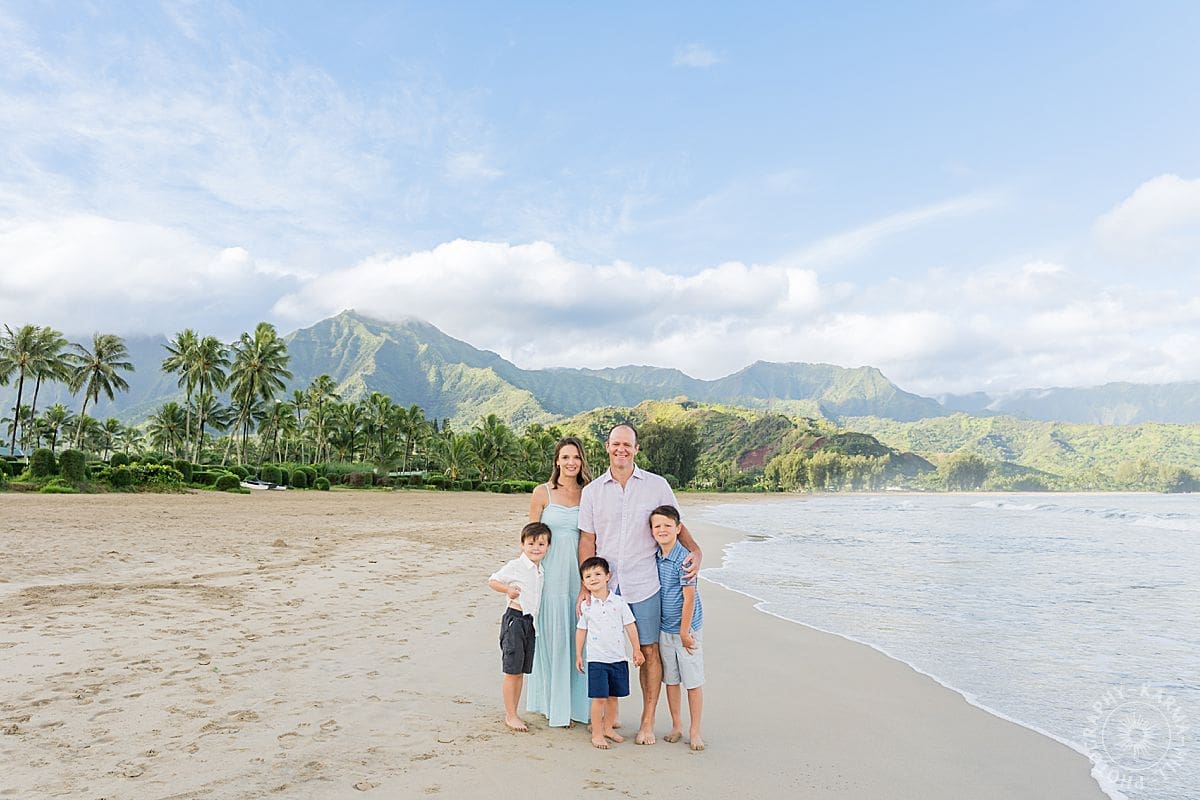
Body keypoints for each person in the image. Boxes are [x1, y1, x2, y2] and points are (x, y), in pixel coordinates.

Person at [578, 422, 702, 745]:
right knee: (606, 649)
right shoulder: (592, 492)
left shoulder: (657, 486)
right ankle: (608, 715)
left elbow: (677, 524)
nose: (621, 449)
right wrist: (585, 585)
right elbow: (587, 541)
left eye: (627, 445)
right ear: (607, 447)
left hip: (645, 583)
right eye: (616, 444)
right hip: (606, 587)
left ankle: (647, 721)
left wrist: (697, 550)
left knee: (648, 650)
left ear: (636, 449)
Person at [526, 436, 593, 727]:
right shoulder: (542, 493)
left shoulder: (589, 493)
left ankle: (580, 707)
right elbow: (529, 538)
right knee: (552, 637)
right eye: (565, 457)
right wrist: (528, 579)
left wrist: (588, 581)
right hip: (550, 576)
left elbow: (593, 538)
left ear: (582, 461)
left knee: (579, 638)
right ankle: (555, 706)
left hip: (577, 575)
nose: (571, 463)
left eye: (576, 457)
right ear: (557, 461)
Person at [575, 556, 645, 749]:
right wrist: (579, 655)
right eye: (588, 576)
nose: (593, 578)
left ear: (608, 576)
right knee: (599, 698)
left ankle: (608, 728)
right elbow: (581, 631)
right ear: (583, 582)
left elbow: (630, 626)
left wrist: (636, 650)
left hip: (618, 658)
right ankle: (597, 734)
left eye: (598, 574)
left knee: (614, 697)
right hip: (597, 660)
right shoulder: (586, 606)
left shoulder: (619, 602)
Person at [487, 521, 551, 732]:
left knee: (521, 671)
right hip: (515, 619)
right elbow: (493, 580)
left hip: (530, 623)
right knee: (512, 670)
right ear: (522, 544)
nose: (536, 548)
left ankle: (514, 712)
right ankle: (510, 715)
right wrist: (508, 590)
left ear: (548, 547)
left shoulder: (541, 569)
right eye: (531, 543)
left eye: (541, 544)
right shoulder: (516, 565)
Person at [651, 505, 705, 751]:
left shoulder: (684, 559)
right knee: (671, 680)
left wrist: (684, 632)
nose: (662, 530)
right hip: (665, 629)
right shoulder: (656, 557)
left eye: (667, 526)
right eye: (657, 526)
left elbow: (689, 598)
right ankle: (676, 725)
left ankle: (695, 731)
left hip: (687, 630)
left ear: (678, 528)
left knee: (692, 681)